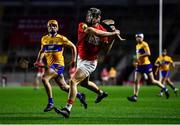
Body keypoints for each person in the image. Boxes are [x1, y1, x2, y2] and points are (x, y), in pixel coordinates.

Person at [54, 7, 120, 118]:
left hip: (90, 62)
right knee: (84, 83)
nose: (88, 17)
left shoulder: (104, 31)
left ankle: (67, 109)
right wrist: (111, 33)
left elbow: (106, 50)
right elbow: (91, 31)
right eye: (89, 15)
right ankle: (101, 93)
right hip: (80, 58)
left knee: (73, 81)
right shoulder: (83, 25)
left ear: (98, 18)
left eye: (92, 15)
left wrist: (113, 37)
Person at [34, 19, 87, 112]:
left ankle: (50, 103)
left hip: (58, 65)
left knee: (44, 78)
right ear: (48, 28)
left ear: (57, 28)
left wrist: (74, 60)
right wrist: (38, 60)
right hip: (51, 66)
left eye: (54, 25)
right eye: (50, 25)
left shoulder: (61, 38)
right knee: (64, 87)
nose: (52, 27)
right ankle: (80, 95)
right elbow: (42, 51)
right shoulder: (44, 39)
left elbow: (73, 47)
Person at [127, 33, 170, 102]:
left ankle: (165, 89)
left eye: (140, 37)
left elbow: (148, 53)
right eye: (137, 37)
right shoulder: (137, 45)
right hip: (140, 65)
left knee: (152, 81)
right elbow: (138, 56)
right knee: (136, 81)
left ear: (142, 38)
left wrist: (140, 56)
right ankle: (135, 96)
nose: (138, 38)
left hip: (146, 65)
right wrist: (137, 61)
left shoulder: (145, 44)